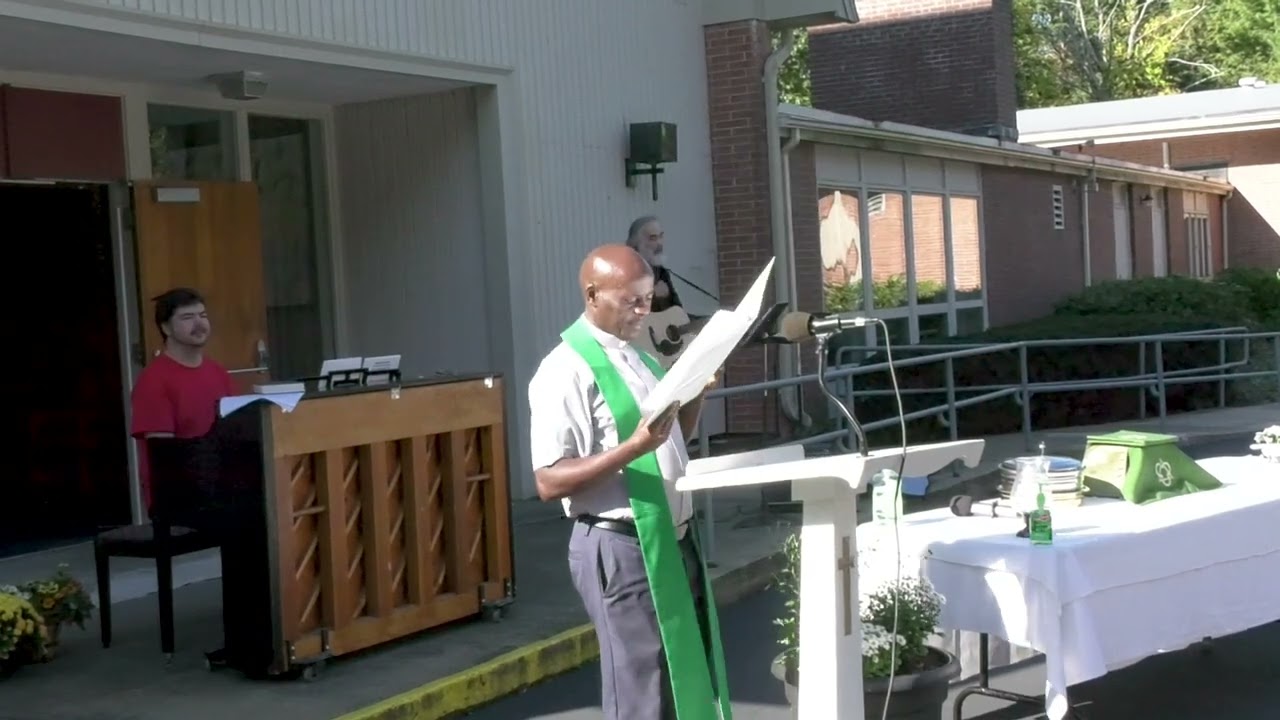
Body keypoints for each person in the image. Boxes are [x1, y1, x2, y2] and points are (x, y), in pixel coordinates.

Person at [528, 244, 731, 720]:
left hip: (671, 538)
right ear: (592, 295)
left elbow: (669, 443)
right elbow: (548, 480)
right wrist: (632, 448)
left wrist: (697, 393)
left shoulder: (640, 358)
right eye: (631, 301)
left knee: (683, 675)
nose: (643, 311)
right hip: (621, 546)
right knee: (642, 689)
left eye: (648, 299)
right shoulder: (564, 369)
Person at [129, 287, 235, 514]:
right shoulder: (153, 381)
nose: (199, 323)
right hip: (179, 492)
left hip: (220, 485)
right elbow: (164, 456)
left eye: (203, 315)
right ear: (166, 328)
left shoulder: (218, 373)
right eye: (187, 317)